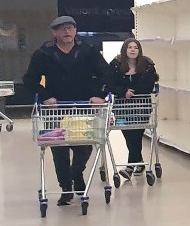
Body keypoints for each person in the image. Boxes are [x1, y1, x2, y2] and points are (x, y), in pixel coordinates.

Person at [23, 16, 110, 206]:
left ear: (76, 31)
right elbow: (29, 80)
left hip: (83, 106)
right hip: (56, 108)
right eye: (62, 29)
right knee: (59, 150)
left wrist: (99, 95)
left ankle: (75, 174)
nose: (67, 32)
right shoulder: (44, 53)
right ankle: (66, 189)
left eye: (70, 28)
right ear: (54, 33)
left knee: (84, 146)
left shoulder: (88, 51)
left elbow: (106, 74)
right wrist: (45, 96)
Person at [109, 38, 159, 180]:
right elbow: (110, 84)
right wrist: (123, 91)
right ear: (124, 50)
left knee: (136, 134)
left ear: (139, 50)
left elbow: (149, 85)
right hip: (122, 107)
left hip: (141, 106)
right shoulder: (115, 65)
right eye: (129, 47)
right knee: (128, 135)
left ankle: (130, 167)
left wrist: (133, 92)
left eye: (135, 47)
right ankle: (139, 162)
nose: (132, 50)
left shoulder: (147, 65)